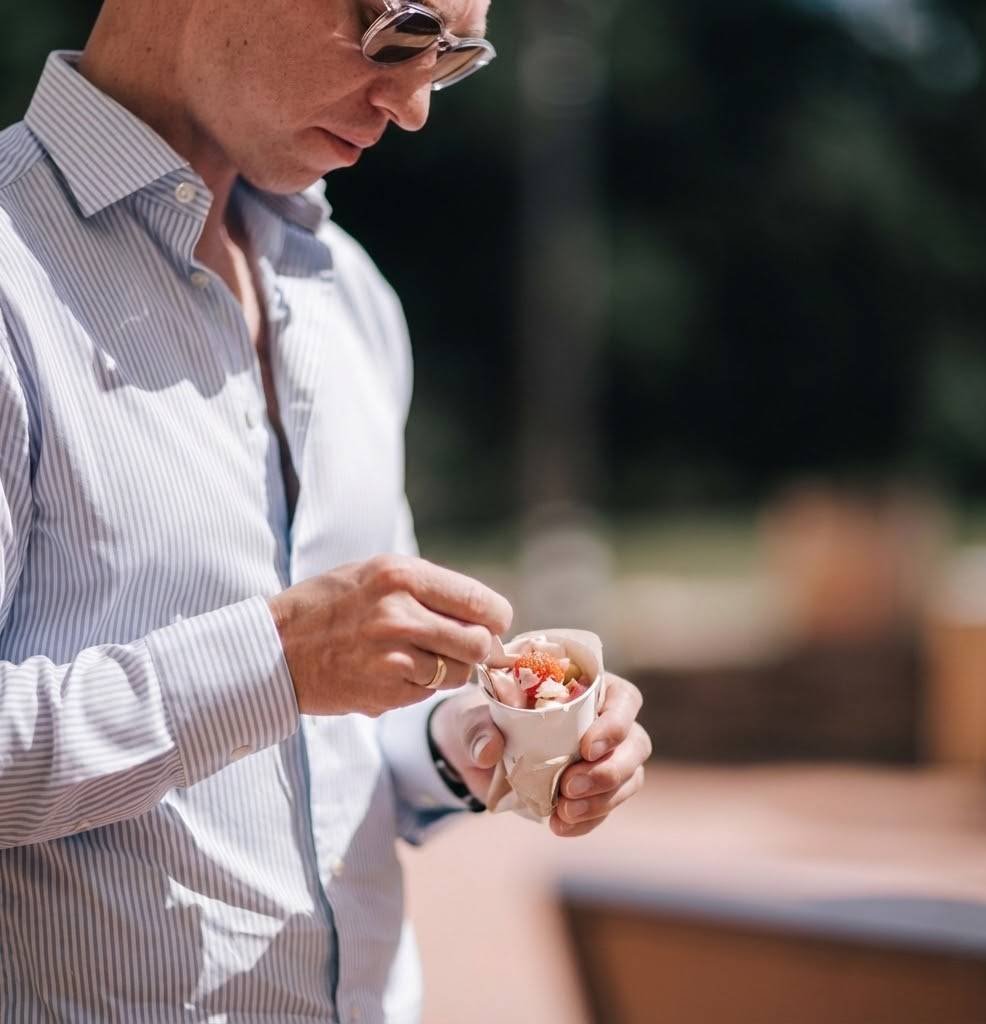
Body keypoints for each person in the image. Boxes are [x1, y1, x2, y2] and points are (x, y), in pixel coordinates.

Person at [0, 1, 652, 1020]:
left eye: (453, 55)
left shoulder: (350, 294)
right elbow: (289, 670)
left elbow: (340, 731)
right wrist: (271, 661)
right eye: (400, 31)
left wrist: (488, 735)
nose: (418, 103)